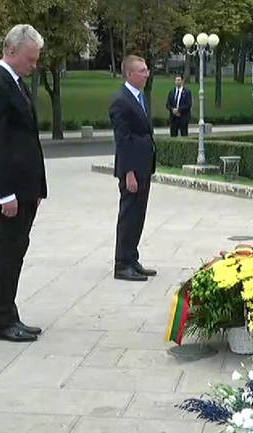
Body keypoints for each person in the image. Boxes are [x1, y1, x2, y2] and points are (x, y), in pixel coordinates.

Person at [0, 24, 48, 342]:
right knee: (6, 253)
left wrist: (37, 186)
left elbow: (26, 139)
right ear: (11, 51)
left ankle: (10, 314)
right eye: (30, 59)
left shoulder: (16, 84)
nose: (34, 65)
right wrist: (5, 193)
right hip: (9, 190)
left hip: (25, 187)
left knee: (16, 251)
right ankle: (2, 321)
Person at [109, 55, 157, 282]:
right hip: (132, 169)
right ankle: (122, 264)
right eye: (142, 71)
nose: (147, 74)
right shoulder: (121, 101)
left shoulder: (139, 97)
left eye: (146, 70)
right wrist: (128, 173)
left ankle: (132, 258)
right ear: (129, 74)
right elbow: (123, 139)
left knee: (139, 215)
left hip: (143, 165)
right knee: (129, 215)